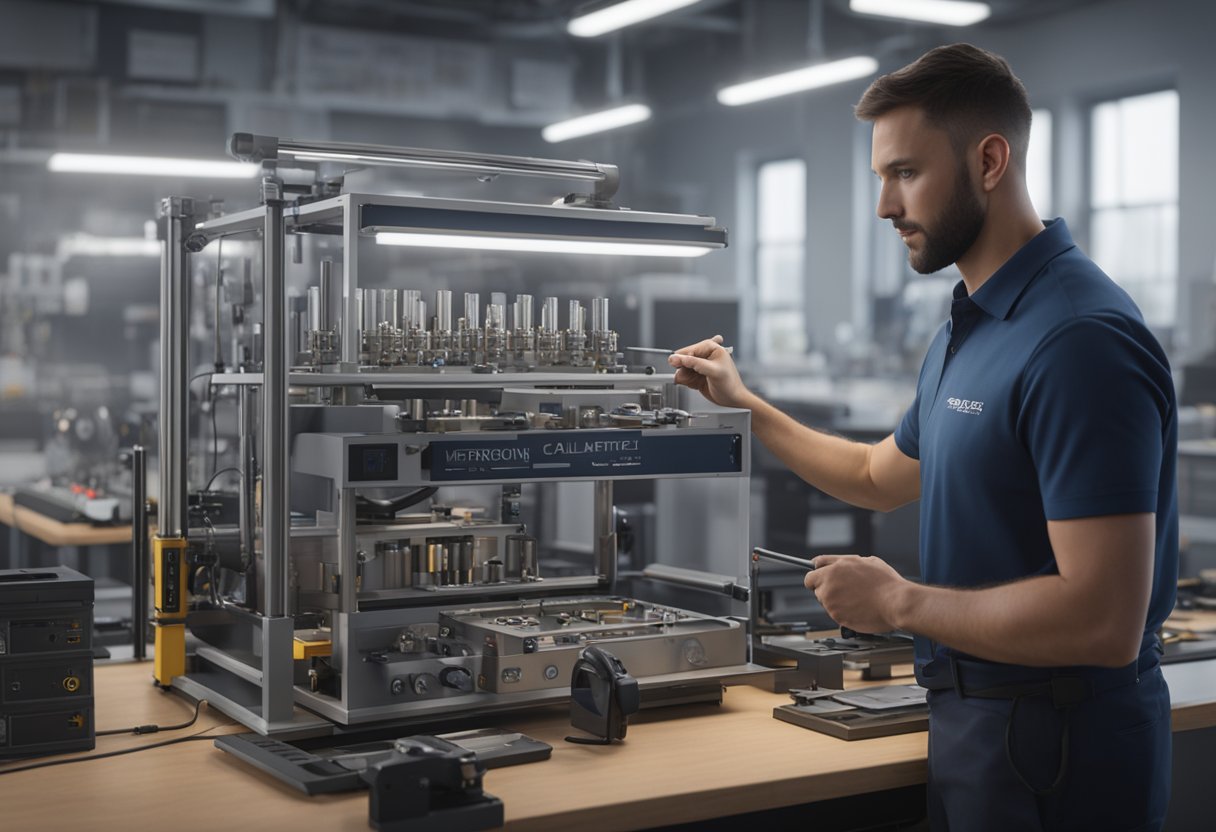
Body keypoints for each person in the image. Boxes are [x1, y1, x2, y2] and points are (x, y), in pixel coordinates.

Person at [669, 43, 1177, 831]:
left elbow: (1104, 621)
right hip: (974, 721)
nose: (883, 206)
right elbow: (879, 475)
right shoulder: (970, 326)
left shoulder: (1079, 339)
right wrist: (744, 406)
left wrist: (899, 601)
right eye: (881, 177)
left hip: (1063, 741)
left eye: (904, 173)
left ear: (990, 161)